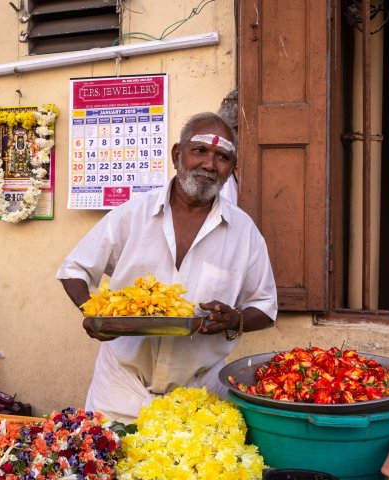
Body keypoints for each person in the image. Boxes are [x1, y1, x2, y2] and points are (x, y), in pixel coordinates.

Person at [57, 112, 278, 422]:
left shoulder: (244, 232)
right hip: (120, 389)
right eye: (199, 151)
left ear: (231, 170)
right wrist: (92, 312)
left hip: (200, 396)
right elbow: (74, 270)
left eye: (222, 157)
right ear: (177, 154)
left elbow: (265, 308)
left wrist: (235, 318)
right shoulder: (132, 214)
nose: (209, 165)